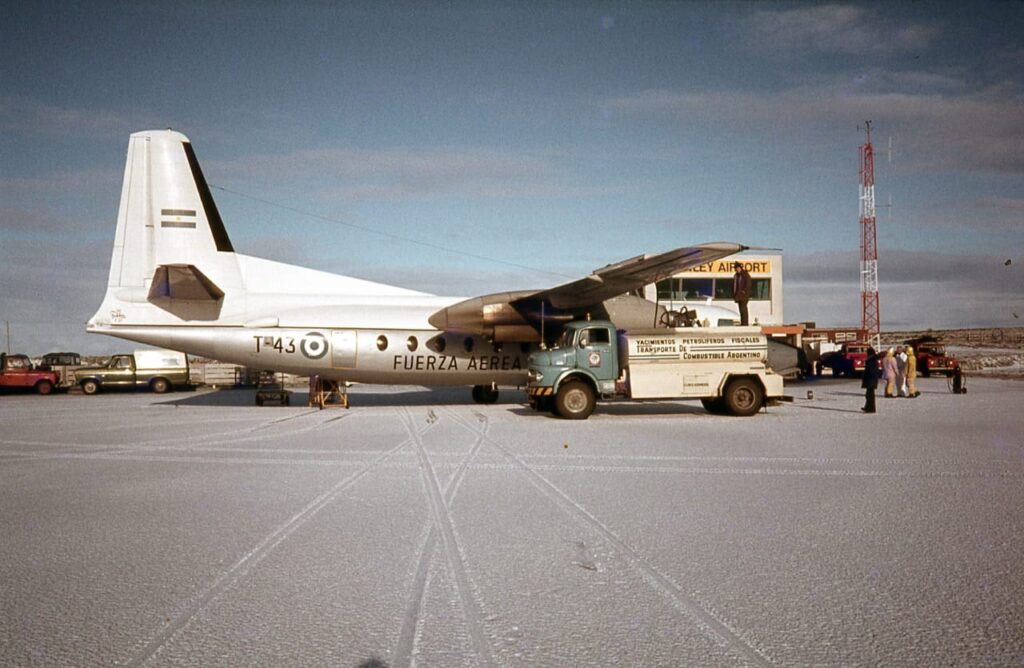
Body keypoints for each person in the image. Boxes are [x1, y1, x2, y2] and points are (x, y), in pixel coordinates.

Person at [732, 261, 752, 326]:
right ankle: (743, 322)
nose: (737, 270)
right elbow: (735, 286)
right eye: (736, 268)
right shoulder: (736, 276)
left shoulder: (745, 274)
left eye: (737, 268)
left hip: (744, 296)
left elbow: (748, 284)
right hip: (738, 296)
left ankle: (745, 323)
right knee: (741, 310)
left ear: (740, 268)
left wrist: (744, 291)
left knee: (743, 309)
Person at [861, 346, 879, 413]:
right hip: (871, 380)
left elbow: (871, 371)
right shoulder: (873, 359)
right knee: (869, 394)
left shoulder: (871, 360)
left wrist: (866, 376)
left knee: (870, 395)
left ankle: (870, 408)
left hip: (870, 380)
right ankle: (868, 407)